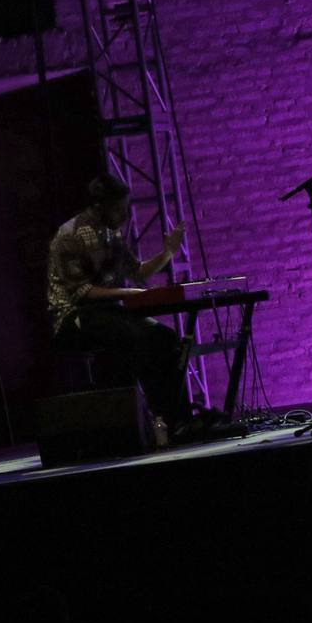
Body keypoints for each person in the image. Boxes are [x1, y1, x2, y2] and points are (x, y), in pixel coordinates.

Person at [46, 173, 192, 431]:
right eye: (119, 210)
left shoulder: (111, 235)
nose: (125, 216)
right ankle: (159, 420)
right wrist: (129, 294)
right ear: (100, 207)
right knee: (136, 338)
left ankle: (179, 419)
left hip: (108, 313)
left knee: (165, 337)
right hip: (73, 317)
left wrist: (168, 252)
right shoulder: (71, 235)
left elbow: (138, 270)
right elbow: (82, 292)